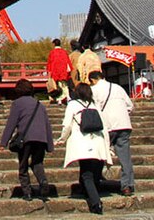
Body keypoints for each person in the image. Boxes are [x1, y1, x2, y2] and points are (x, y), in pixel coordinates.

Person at [55, 82, 112, 215]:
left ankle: (95, 201)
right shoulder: (95, 105)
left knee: (86, 173)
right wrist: (108, 146)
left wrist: (62, 139)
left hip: (82, 142)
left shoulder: (73, 105)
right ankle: (88, 192)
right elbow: (104, 126)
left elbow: (67, 125)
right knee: (95, 173)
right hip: (98, 142)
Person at [0, 79, 55, 201]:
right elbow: (47, 125)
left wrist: (4, 141)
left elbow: (11, 123)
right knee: (37, 163)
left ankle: (27, 192)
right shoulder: (39, 104)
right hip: (41, 138)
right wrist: (50, 145)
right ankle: (43, 181)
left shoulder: (18, 103)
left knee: (23, 165)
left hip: (25, 138)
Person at [89, 70, 135, 196]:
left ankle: (95, 182)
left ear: (92, 80)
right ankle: (127, 185)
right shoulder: (118, 87)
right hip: (124, 124)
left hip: (107, 126)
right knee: (125, 157)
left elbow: (93, 108)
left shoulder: (94, 90)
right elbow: (130, 105)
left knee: (100, 155)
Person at [46, 39, 73, 105]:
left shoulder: (52, 53)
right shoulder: (64, 52)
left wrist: (49, 73)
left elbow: (49, 63)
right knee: (64, 85)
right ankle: (67, 97)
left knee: (57, 86)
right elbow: (68, 62)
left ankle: (59, 99)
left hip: (55, 72)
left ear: (54, 44)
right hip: (63, 71)